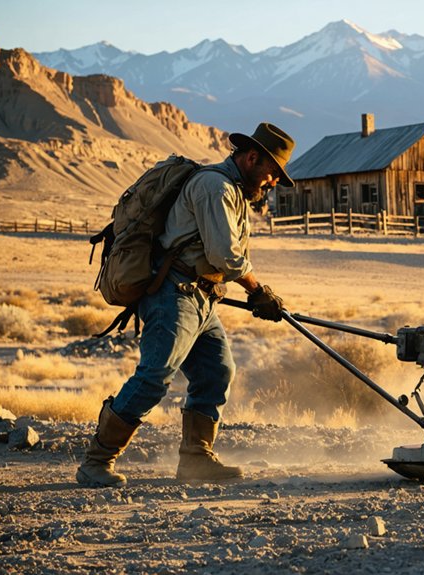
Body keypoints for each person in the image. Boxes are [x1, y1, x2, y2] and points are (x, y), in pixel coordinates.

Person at [76, 123, 295, 487]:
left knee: (217, 371)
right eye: (272, 172)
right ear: (252, 157)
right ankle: (96, 461)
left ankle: (195, 460)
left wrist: (250, 291)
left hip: (201, 297)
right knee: (154, 375)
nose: (273, 182)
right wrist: (258, 291)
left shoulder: (235, 192)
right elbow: (225, 255)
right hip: (174, 295)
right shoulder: (216, 187)